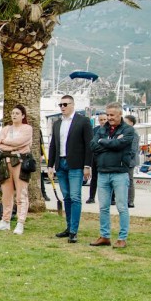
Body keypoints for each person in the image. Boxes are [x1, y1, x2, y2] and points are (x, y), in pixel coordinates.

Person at [47, 95, 93, 243]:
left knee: (75, 197)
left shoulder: (83, 121)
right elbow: (53, 145)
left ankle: (74, 230)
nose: (62, 107)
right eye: (60, 104)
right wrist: (50, 165)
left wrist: (87, 165)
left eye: (65, 104)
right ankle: (68, 228)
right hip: (61, 164)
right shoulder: (57, 123)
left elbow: (89, 145)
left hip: (76, 165)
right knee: (66, 196)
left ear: (73, 105)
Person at [89, 103, 135, 249]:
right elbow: (93, 145)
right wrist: (109, 143)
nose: (109, 118)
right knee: (103, 207)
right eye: (107, 115)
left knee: (122, 207)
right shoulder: (102, 129)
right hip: (102, 173)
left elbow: (120, 145)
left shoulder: (128, 130)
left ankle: (122, 238)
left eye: (112, 115)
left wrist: (104, 143)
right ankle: (104, 236)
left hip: (120, 173)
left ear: (119, 114)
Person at [0, 105, 33, 235]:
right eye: (13, 113)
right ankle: (5, 220)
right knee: (6, 194)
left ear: (23, 115)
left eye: (17, 113)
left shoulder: (27, 128)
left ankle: (20, 222)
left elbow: (19, 142)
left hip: (20, 163)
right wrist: (11, 145)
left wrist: (6, 143)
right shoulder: (6, 129)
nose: (14, 115)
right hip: (6, 162)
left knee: (21, 194)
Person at [85, 113, 108, 204]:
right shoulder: (94, 130)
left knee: (108, 178)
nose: (103, 121)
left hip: (107, 158)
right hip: (96, 157)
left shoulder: (111, 130)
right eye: (101, 120)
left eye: (104, 119)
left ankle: (112, 198)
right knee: (94, 178)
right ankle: (91, 197)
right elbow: (92, 144)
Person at [124, 114, 139, 208]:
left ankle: (130, 201)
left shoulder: (134, 134)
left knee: (129, 180)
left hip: (130, 161)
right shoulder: (125, 132)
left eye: (125, 122)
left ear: (131, 123)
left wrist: (126, 159)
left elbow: (133, 150)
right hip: (124, 160)